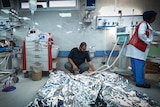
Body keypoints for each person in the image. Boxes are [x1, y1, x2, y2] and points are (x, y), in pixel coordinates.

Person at [126, 10, 160, 88]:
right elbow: (141, 34)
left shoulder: (146, 25)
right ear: (150, 17)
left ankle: (137, 79)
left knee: (135, 65)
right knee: (139, 65)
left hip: (135, 48)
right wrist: (149, 41)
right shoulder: (143, 24)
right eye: (154, 17)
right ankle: (140, 82)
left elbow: (153, 32)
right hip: (137, 48)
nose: (154, 19)